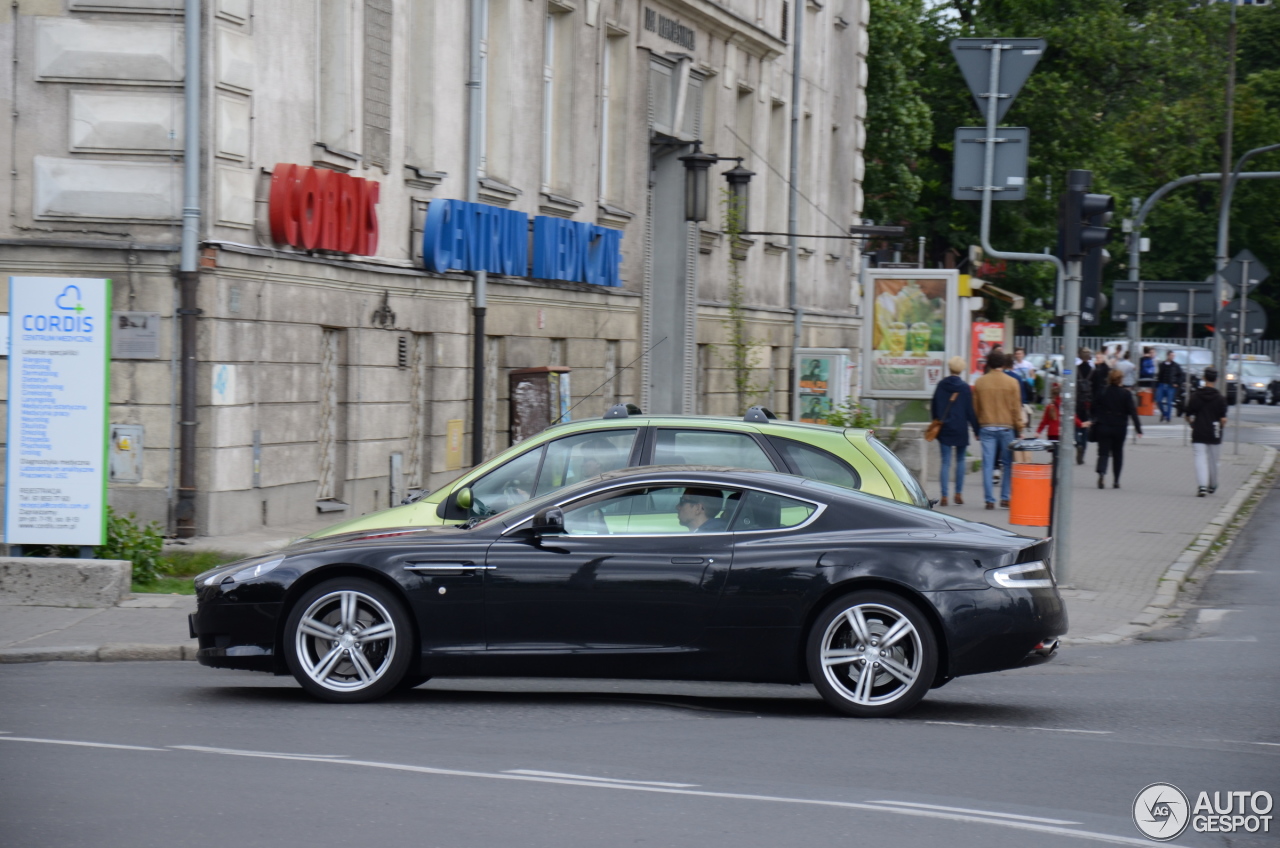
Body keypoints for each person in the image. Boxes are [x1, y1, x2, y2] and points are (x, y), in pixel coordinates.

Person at [972, 350, 1024, 510]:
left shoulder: (980, 382)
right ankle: (1005, 497)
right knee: (1008, 463)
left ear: (989, 363)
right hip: (1007, 427)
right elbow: (1016, 408)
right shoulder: (1012, 383)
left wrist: (978, 425)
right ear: (1003, 364)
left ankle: (989, 499)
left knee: (988, 464)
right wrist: (1019, 427)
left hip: (986, 426)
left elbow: (975, 408)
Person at [930, 356, 980, 507]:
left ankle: (944, 496)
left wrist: (936, 422)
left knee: (945, 461)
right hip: (960, 428)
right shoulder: (964, 387)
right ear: (962, 369)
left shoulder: (941, 385)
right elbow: (970, 411)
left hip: (944, 428)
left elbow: (934, 406)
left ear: (949, 368)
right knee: (960, 460)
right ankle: (958, 494)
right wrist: (976, 429)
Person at [1091, 368, 1143, 489]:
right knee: (1117, 453)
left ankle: (1102, 474)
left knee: (1103, 452)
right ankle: (1116, 480)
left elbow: (1093, 407)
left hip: (1103, 426)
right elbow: (1132, 412)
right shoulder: (1126, 394)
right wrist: (1138, 429)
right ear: (1121, 379)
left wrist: (1097, 417)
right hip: (1119, 428)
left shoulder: (1102, 391)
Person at [1184, 368, 1228, 497]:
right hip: (1214, 432)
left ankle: (1202, 486)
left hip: (1198, 431)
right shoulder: (1220, 399)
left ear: (1203, 378)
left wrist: (1192, 424)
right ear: (1216, 380)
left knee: (1200, 458)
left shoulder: (1195, 396)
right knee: (1214, 460)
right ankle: (1212, 484)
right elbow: (1223, 419)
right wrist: (1221, 427)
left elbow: (1188, 414)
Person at [1075, 347, 1095, 465]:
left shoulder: (1076, 369)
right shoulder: (1093, 371)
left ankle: (1077, 443)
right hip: (1088, 403)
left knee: (1076, 427)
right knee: (1086, 429)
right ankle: (1082, 453)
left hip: (1077, 402)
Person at [1155, 350, 1184, 423]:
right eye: (1171, 355)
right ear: (1167, 356)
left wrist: (1177, 383)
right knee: (1158, 400)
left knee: (1169, 402)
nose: (1172, 357)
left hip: (1170, 385)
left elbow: (1181, 375)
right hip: (1161, 384)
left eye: (1173, 356)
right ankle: (1164, 413)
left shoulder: (1176, 366)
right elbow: (1159, 374)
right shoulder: (1162, 364)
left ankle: (1168, 417)